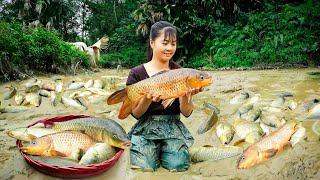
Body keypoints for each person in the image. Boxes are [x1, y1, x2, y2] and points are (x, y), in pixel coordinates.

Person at [126, 21, 202, 172]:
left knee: (179, 165)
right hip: (145, 127)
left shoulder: (181, 72)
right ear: (152, 43)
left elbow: (186, 113)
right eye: (165, 43)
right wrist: (147, 98)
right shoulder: (136, 73)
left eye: (173, 44)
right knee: (145, 167)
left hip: (173, 127)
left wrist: (186, 96)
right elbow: (136, 114)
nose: (170, 48)